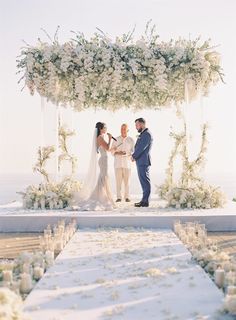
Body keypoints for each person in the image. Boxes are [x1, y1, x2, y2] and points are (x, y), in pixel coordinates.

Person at [73, 122, 115, 211]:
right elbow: (107, 147)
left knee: (103, 178)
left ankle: (103, 196)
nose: (106, 129)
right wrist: (110, 138)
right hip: (103, 160)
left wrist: (114, 149)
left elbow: (107, 149)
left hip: (104, 158)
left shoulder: (101, 137)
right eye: (105, 128)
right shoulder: (100, 137)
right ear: (101, 129)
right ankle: (101, 197)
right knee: (103, 178)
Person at [131, 118, 153, 207]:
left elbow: (141, 148)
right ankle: (144, 200)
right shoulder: (144, 134)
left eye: (137, 125)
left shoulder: (147, 134)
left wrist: (134, 156)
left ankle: (145, 201)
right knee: (143, 181)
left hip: (143, 161)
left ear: (142, 124)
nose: (136, 127)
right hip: (141, 161)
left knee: (145, 181)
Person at [111, 124, 134, 202]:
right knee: (118, 182)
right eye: (121, 129)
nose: (123, 130)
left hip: (127, 164)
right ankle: (119, 197)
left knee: (127, 182)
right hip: (117, 163)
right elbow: (112, 151)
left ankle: (127, 197)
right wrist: (118, 153)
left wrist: (126, 153)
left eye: (124, 129)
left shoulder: (131, 140)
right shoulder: (116, 139)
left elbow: (133, 151)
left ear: (127, 130)